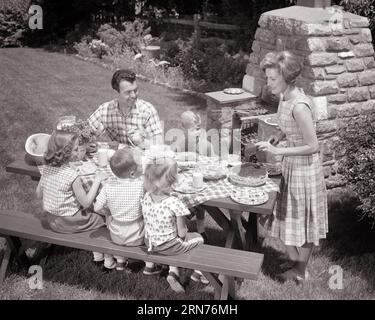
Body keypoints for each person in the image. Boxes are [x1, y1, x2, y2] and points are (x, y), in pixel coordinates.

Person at [255, 51, 328, 283]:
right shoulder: (285, 98)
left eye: (273, 79)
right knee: (286, 217)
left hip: (305, 171)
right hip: (291, 168)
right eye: (268, 78)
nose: (269, 83)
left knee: (303, 222)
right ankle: (297, 262)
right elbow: (286, 127)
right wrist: (277, 137)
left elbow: (313, 145)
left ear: (286, 78)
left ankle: (299, 269)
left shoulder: (299, 106)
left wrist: (279, 151)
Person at [36, 130, 107, 261]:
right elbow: (86, 203)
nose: (77, 152)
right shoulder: (72, 175)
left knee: (90, 209)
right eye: (75, 150)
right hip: (69, 222)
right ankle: (103, 255)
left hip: (51, 220)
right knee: (105, 218)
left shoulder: (46, 168)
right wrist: (97, 180)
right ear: (65, 153)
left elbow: (38, 194)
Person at [142, 156, 208, 293]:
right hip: (169, 245)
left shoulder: (147, 196)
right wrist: (188, 228)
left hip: (150, 242)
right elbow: (182, 233)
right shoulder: (175, 203)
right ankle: (198, 272)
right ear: (173, 181)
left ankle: (173, 271)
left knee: (171, 239)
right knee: (199, 239)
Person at [93, 148, 161, 275]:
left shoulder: (108, 185)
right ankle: (150, 265)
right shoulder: (141, 185)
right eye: (141, 165)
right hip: (138, 235)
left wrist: (107, 212)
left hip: (116, 235)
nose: (143, 167)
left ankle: (120, 262)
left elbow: (96, 208)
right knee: (152, 221)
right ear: (132, 173)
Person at [88, 69, 163, 149]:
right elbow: (82, 133)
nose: (134, 95)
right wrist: (92, 135)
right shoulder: (105, 110)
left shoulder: (147, 110)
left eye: (135, 90)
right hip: (118, 159)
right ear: (116, 93)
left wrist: (141, 142)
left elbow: (159, 145)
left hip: (141, 158)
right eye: (128, 92)